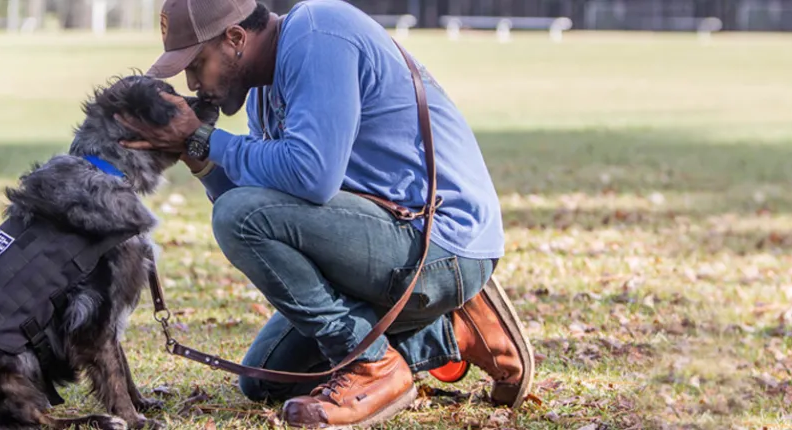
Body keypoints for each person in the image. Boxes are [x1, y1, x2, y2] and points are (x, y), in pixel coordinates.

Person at [115, 0, 534, 427]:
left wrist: (206, 138)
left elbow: (310, 177)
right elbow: (263, 201)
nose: (193, 83)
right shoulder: (264, 87)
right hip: (390, 239)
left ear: (236, 38)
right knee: (267, 380)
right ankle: (456, 331)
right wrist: (197, 157)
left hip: (440, 241)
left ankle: (374, 365)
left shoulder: (318, 33)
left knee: (238, 216)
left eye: (197, 63)